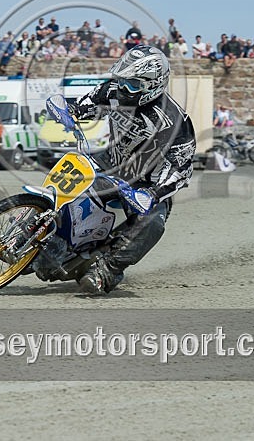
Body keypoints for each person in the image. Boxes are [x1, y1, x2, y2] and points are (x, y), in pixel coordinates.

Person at [63, 45, 195, 294]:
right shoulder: (113, 90)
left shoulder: (175, 121)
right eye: (122, 81)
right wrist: (70, 111)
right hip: (108, 162)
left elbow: (182, 167)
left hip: (144, 185)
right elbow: (88, 104)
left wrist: (154, 194)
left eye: (132, 85)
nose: (123, 89)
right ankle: (36, 222)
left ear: (153, 85)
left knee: (153, 222)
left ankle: (108, 270)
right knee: (69, 175)